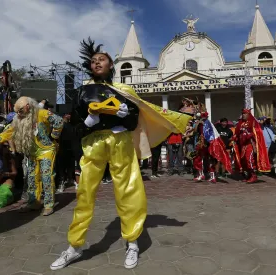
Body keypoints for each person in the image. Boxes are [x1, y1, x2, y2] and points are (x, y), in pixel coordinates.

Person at [50, 38, 193, 271]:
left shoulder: (125, 90)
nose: (97, 63)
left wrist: (125, 113)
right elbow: (74, 127)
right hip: (93, 144)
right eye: (94, 61)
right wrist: (89, 121)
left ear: (111, 66)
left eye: (102, 60)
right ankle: (74, 247)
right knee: (85, 193)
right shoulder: (80, 92)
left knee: (129, 190)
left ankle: (133, 242)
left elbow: (134, 120)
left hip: (120, 142)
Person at [12, 96, 63, 216]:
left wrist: (54, 136)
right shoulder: (20, 119)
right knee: (32, 178)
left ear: (28, 106)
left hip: (46, 150)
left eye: (20, 111)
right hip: (32, 153)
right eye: (17, 112)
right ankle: (33, 203)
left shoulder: (42, 113)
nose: (18, 114)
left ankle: (48, 204)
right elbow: (9, 129)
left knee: (46, 176)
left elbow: (59, 121)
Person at [234, 109, 271, 183]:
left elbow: (257, 133)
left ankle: (254, 175)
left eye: (245, 113)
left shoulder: (253, 122)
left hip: (250, 144)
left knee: (249, 159)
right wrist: (235, 137)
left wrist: (251, 135)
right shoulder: (240, 123)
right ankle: (249, 175)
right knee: (244, 160)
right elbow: (237, 132)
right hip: (242, 145)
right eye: (243, 113)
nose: (243, 115)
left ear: (248, 114)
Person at [56, 113, 75, 193]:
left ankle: (70, 179)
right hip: (61, 148)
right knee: (61, 167)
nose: (69, 116)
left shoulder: (71, 125)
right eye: (68, 115)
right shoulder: (60, 125)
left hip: (70, 148)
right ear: (64, 116)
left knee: (69, 165)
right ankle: (62, 182)